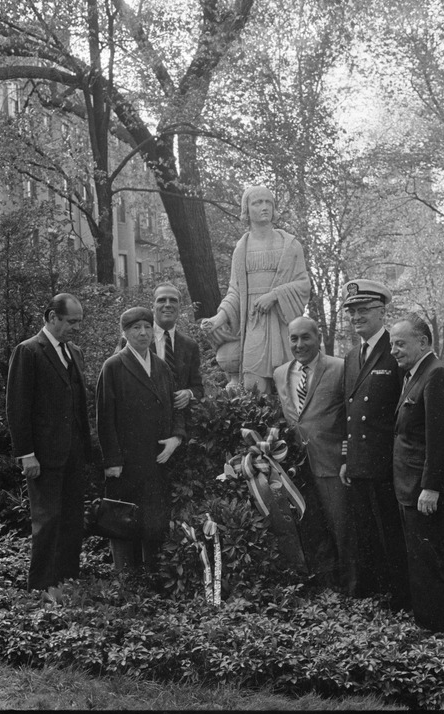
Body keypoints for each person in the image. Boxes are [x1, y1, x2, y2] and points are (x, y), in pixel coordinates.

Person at [6, 293, 93, 592]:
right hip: (43, 456)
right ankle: (41, 587)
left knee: (71, 519)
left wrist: (87, 449)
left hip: (74, 454)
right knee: (47, 521)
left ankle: (67, 581)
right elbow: (18, 407)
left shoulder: (75, 353)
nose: (75, 328)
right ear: (51, 317)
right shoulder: (28, 351)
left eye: (79, 322)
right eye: (71, 322)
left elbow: (80, 406)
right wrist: (26, 454)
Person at [339, 279, 411, 612]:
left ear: (382, 311)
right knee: (365, 531)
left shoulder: (396, 350)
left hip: (386, 462)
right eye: (352, 311)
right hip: (358, 461)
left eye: (364, 309)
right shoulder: (352, 355)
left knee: (391, 532)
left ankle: (400, 598)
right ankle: (372, 593)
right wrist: (345, 457)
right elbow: (349, 412)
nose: (356, 316)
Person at [96, 307, 186, 573]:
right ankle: (126, 580)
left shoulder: (160, 366)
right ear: (124, 333)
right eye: (136, 328)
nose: (143, 333)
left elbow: (175, 407)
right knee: (123, 521)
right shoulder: (113, 366)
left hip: (156, 459)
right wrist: (112, 461)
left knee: (153, 521)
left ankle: (151, 578)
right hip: (125, 462)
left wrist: (176, 438)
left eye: (147, 327)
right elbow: (104, 419)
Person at [201, 185, 311, 393]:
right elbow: (235, 292)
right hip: (255, 327)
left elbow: (303, 285)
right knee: (254, 392)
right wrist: (219, 318)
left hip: (283, 325)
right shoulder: (241, 250)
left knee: (289, 392)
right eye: (257, 203)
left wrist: (275, 296)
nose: (264, 207)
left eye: (268, 202)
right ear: (246, 209)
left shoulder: (290, 246)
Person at [273, 316, 355, 592]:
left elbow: (350, 417)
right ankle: (325, 585)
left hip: (332, 463)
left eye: (305, 337)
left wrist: (346, 456)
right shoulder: (280, 373)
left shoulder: (340, 368)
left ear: (318, 337)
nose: (299, 344)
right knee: (312, 528)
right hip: (297, 467)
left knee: (342, 528)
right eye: (293, 339)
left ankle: (352, 590)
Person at [390, 315, 444, 632]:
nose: (394, 350)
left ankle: (435, 628)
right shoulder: (415, 374)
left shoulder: (437, 374)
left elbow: (441, 439)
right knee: (419, 558)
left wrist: (431, 488)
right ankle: (426, 622)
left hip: (422, 490)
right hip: (409, 487)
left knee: (428, 560)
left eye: (400, 343)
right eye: (392, 344)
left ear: (424, 342)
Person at [116, 282, 203, 410]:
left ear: (180, 306)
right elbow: (117, 383)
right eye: (162, 300)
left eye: (173, 300)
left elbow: (198, 387)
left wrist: (188, 393)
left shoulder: (190, 346)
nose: (167, 305)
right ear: (153, 306)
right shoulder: (133, 339)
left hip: (177, 423)